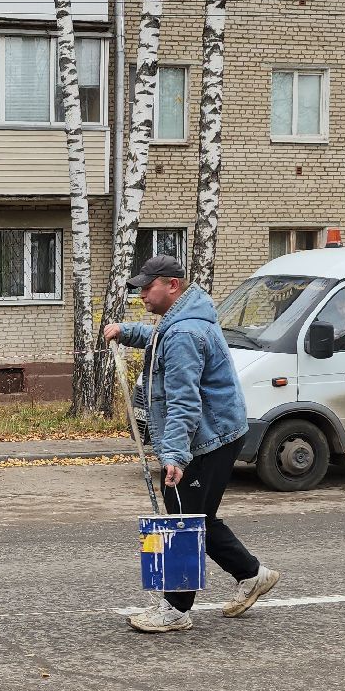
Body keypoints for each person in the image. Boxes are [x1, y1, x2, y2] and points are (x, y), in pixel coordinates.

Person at [103, 255, 281, 633]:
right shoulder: (182, 320)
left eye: (147, 287)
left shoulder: (184, 333)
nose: (141, 295)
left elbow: (184, 402)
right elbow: (158, 338)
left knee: (181, 522)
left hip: (206, 439)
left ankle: (176, 608)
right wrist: (126, 331)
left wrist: (174, 455)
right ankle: (252, 574)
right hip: (219, 432)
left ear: (172, 285)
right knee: (199, 519)